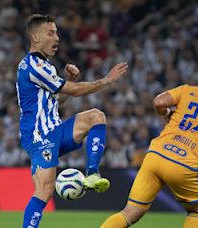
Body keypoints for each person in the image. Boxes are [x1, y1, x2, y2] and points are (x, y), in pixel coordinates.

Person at [17, 14, 128, 228]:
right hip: (39, 137)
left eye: (57, 32)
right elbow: (75, 92)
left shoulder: (45, 65)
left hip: (54, 130)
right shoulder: (32, 66)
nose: (57, 38)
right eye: (51, 33)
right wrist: (106, 80)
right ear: (35, 37)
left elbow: (56, 102)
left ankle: (93, 174)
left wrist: (68, 81)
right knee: (44, 191)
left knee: (96, 117)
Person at [101, 66, 198, 228]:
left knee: (130, 212)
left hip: (155, 154)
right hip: (184, 162)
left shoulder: (189, 90)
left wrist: (166, 115)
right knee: (195, 211)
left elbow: (158, 102)